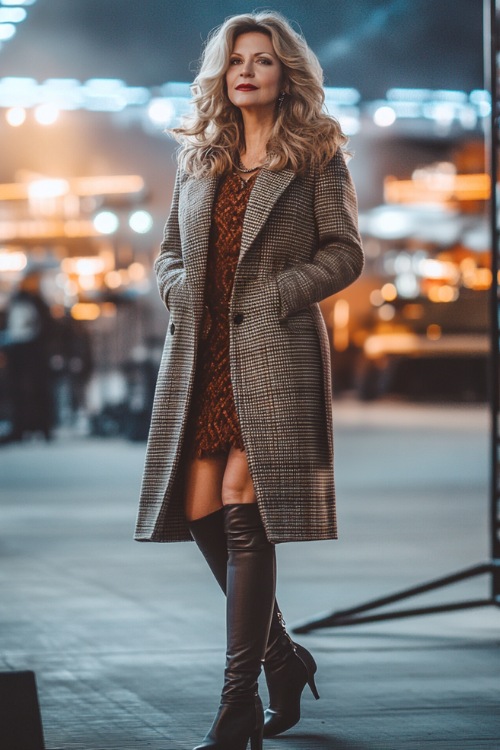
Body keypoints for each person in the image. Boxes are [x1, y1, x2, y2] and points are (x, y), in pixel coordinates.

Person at [135, 11, 364, 750]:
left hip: (274, 354)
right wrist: (177, 291)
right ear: (221, 74)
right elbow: (169, 251)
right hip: (201, 358)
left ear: (283, 74)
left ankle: (236, 708)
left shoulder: (316, 154)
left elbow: (345, 252)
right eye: (237, 60)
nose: (247, 71)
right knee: (201, 509)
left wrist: (279, 293)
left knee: (241, 506)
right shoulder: (198, 156)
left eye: (263, 61)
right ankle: (283, 659)